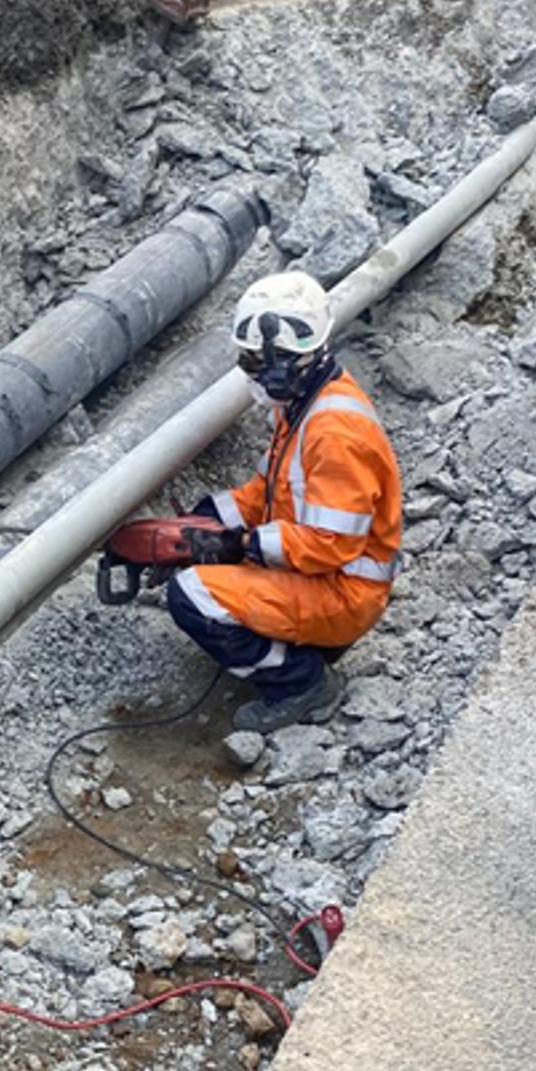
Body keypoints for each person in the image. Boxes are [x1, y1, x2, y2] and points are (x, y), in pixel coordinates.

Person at [168, 270, 403, 732]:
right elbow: (267, 493)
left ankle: (302, 683)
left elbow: (329, 544)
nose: (258, 373)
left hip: (342, 592)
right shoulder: (306, 403)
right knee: (203, 575)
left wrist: (241, 546)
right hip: (321, 577)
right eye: (253, 360)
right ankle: (292, 648)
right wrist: (205, 520)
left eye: (263, 362)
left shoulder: (333, 433)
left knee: (192, 595)